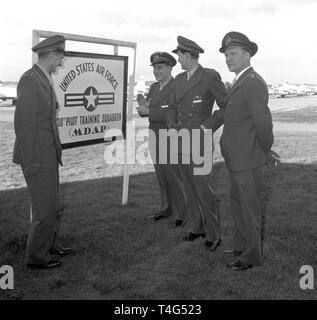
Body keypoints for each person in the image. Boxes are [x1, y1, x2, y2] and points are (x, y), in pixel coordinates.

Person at [211, 31, 279, 270]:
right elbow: (226, 114)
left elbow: (263, 123)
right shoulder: (240, 80)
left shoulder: (252, 82)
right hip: (237, 157)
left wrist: (266, 150)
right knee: (237, 203)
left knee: (248, 207)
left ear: (247, 54)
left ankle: (251, 256)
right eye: (226, 54)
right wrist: (202, 127)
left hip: (248, 158)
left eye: (233, 53)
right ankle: (242, 246)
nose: (228, 58)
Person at [13, 35, 73, 269]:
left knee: (52, 206)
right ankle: (37, 256)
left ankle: (50, 244)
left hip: (48, 155)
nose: (61, 63)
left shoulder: (43, 78)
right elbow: (24, 125)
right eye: (60, 58)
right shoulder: (30, 80)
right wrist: (32, 161)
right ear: (51, 54)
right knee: (44, 209)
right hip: (36, 156)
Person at [167, 36, 227, 251]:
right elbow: (172, 107)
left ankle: (213, 234)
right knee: (190, 188)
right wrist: (172, 124)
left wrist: (207, 127)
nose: (178, 61)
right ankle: (197, 228)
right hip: (180, 141)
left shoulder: (209, 77)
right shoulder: (179, 80)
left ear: (189, 55)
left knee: (202, 188)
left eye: (180, 56)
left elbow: (226, 106)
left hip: (199, 142)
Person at [137, 52, 187, 226]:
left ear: (169, 68)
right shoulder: (153, 88)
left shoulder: (177, 86)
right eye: (154, 68)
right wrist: (143, 109)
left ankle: (182, 212)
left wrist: (150, 112)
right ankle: (166, 208)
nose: (156, 71)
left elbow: (176, 112)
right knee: (161, 175)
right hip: (154, 135)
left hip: (169, 135)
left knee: (174, 175)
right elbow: (148, 109)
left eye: (160, 68)